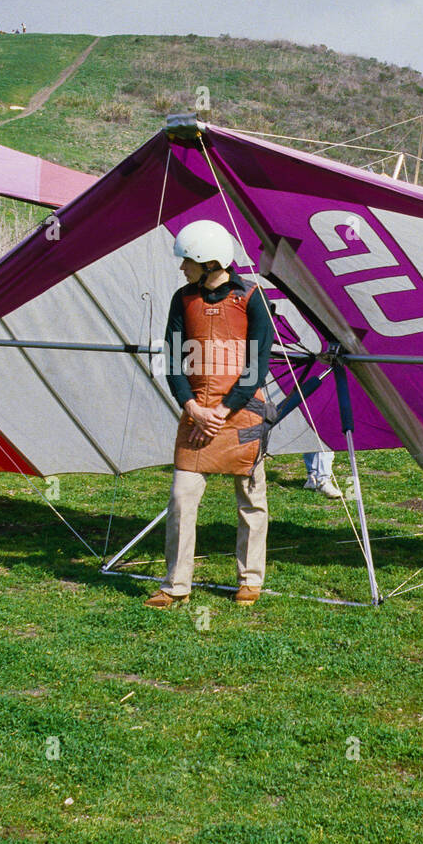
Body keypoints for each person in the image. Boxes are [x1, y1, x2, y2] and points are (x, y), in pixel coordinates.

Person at [146, 220, 273, 609]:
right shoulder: (182, 299)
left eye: (188, 261)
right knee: (182, 497)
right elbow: (173, 359)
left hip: (243, 412)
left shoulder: (251, 296)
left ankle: (250, 580)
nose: (182, 268)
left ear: (209, 261)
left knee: (251, 499)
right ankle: (176, 584)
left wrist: (223, 409)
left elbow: (257, 363)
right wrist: (192, 407)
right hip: (197, 411)